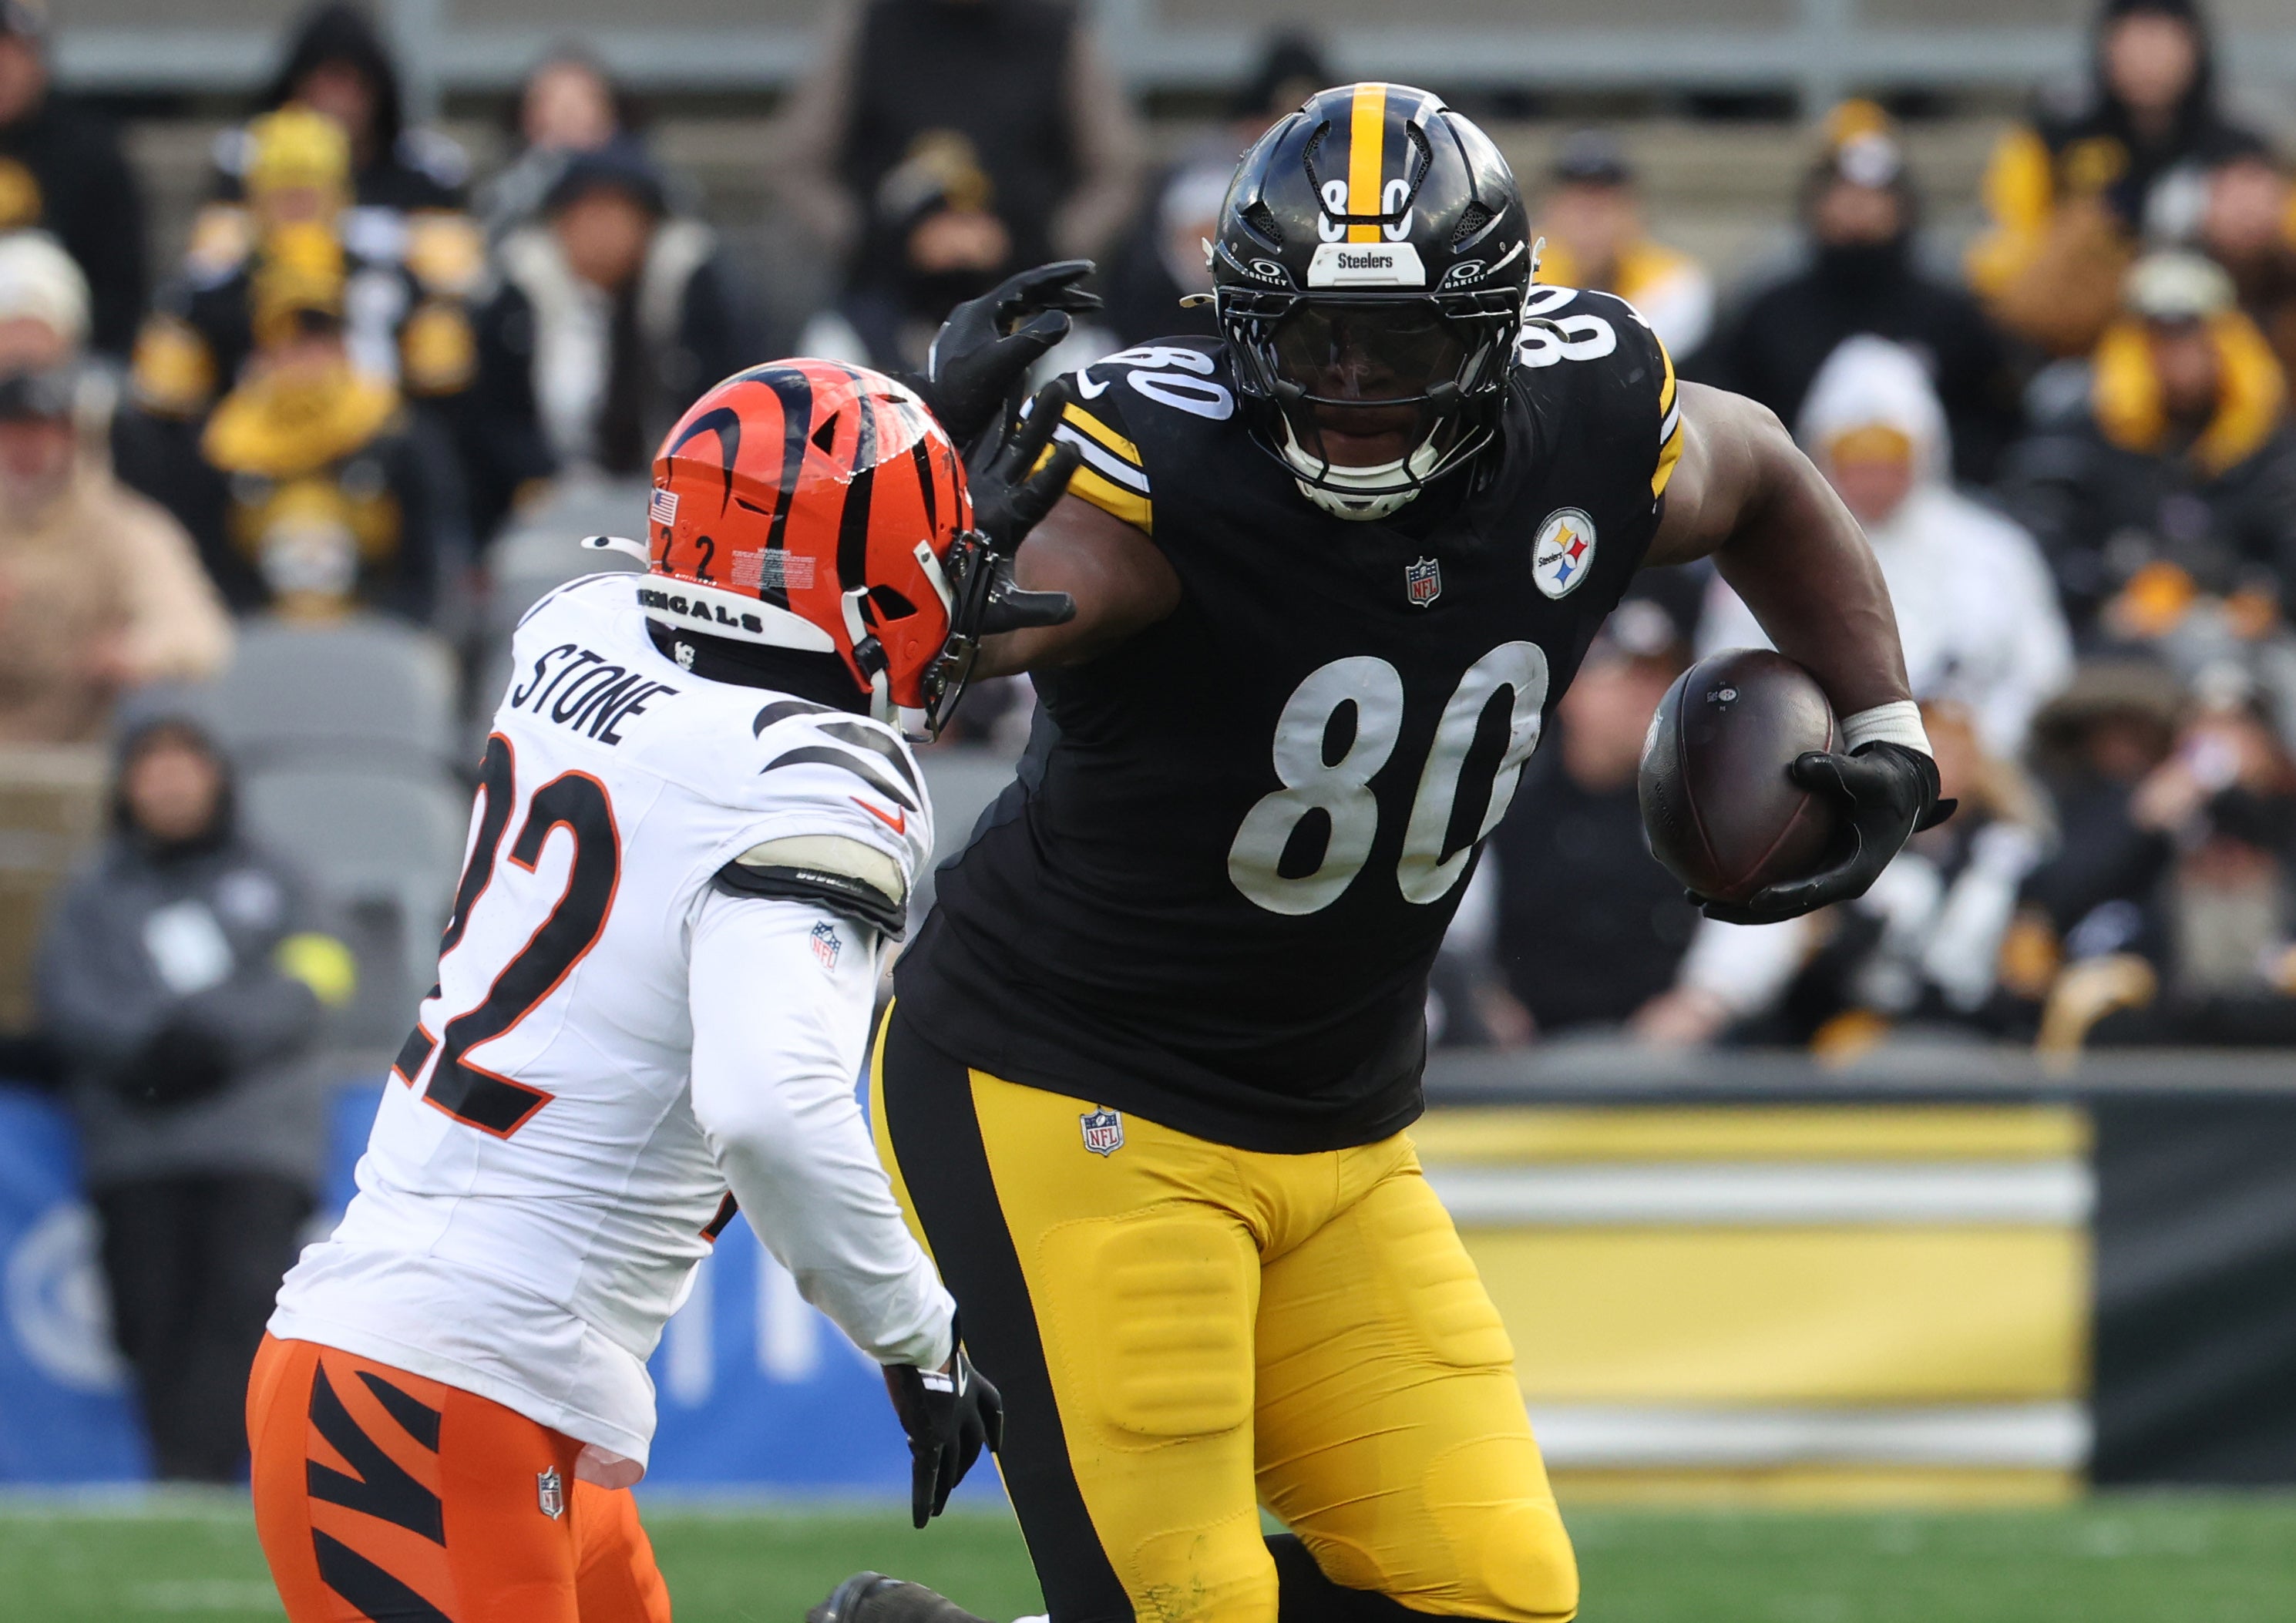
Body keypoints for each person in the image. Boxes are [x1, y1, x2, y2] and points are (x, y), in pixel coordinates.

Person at [830, 84, 1949, 1623]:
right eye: (1307, 344)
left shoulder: (1590, 418)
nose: (1350, 391)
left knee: (1492, 1597)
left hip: (1336, 1128)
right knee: (1189, 1607)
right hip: (1062, 1092)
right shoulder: (1159, 474)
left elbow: (1753, 468)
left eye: (1402, 346)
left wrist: (1886, 718)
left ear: (1492, 333)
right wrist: (927, 555)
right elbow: (940, 645)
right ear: (1238, 328)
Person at [246, 332, 1083, 1617]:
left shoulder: (571, 628)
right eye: (940, 555)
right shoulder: (821, 781)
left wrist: (895, 473)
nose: (962, 586)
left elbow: (747, 596)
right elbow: (769, 1108)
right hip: (439, 1390)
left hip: (468, 1382)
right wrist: (918, 1337)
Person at [36, 708, 356, 1482]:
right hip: (136, 1148)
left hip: (255, 1142)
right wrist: (148, 1050)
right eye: (151, 765)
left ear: (219, 776)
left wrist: (216, 1038)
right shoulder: (94, 895)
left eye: (187, 762)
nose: (171, 781)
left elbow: (321, 973)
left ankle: (213, 1477)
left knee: (244, 1312)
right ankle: (179, 1475)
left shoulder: (277, 875)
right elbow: (66, 998)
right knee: (148, 1317)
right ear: (126, 784)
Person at [1699, 336, 2072, 760]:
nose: (1873, 479)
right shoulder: (1767, 556)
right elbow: (1726, 673)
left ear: (1927, 450)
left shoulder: (1995, 550)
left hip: (1986, 779)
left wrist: (1978, 747)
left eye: (1890, 456)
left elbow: (2042, 669)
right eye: (1855, 458)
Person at [1635, 701, 2054, 1050]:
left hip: (1968, 1029)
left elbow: (2028, 968)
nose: (1942, 762)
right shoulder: (1838, 841)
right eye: (1931, 746)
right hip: (1853, 1025)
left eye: (1953, 749)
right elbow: (1794, 940)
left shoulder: (2012, 857)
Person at [775, 0, 1141, 369]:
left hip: (1032, 306)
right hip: (886, 306)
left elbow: (1115, 171)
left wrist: (1049, 248)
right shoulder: (867, 24)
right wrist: (867, 240)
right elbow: (800, 164)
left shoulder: (1058, 28)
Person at [1695, 103, 2021, 486]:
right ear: (1815, 203)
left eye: (1875, 196)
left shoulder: (1950, 313)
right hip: (1788, 512)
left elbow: (1997, 418)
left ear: (1903, 206)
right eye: (1843, 193)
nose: (1858, 209)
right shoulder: (1770, 312)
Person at [147, 234, 468, 623]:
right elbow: (201, 566)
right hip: (252, 637)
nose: (308, 356)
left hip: (377, 633)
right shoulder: (222, 445)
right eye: (291, 340)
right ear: (264, 350)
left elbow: (430, 562)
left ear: (344, 345)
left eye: (322, 337)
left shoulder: (396, 434)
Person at [1997, 251, 2296, 647]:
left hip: (2249, 645)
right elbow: (2036, 539)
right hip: (2113, 641)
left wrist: (2267, 596)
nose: (2180, 358)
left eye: (2196, 338)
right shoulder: (2078, 436)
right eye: (2162, 341)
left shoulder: (2269, 442)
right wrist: (2104, 594)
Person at [0, 233, 230, 744]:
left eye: (41, 431)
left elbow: (198, 634)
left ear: (72, 434)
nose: (26, 449)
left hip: (82, 777)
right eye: (11, 431)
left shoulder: (122, 528)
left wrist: (137, 652)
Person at [468, 140, 755, 538]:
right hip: (550, 505)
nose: (600, 230)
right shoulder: (519, 299)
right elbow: (494, 416)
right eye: (585, 213)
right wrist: (536, 479)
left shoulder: (693, 291)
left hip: (684, 506)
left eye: (616, 212)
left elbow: (735, 402)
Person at [1969, 0, 2267, 358]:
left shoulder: (2240, 151)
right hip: (2085, 349)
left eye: (2163, 43)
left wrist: (2250, 245)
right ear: (2106, 49)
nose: (2148, 62)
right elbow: (2002, 269)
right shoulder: (2054, 141)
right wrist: (2093, 234)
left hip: (2219, 354)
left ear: (2195, 50)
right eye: (2133, 44)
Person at [1486, 583, 1702, 1035]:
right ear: (1575, 687)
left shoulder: (1705, 805)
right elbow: (1453, 931)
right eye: (1629, 675)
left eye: (1664, 674)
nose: (1650, 695)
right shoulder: (1502, 796)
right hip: (1514, 1068)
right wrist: (1481, 1003)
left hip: (1671, 1069)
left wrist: (1706, 1001)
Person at [1099, 30, 1331, 349]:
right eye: (1275, 121)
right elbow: (1208, 267)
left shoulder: (1332, 176)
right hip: (1187, 336)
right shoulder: (1214, 169)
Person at [0, 1, 146, 358]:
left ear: (39, 58)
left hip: (70, 361)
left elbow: (121, 283)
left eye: (13, 51)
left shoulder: (89, 151)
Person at [1532, 129, 1714, 358]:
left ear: (1635, 212)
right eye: (1577, 207)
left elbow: (1636, 360)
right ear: (1549, 210)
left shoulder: (1674, 278)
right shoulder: (1518, 270)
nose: (1589, 223)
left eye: (1604, 207)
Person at [478, 48, 634, 248]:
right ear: (527, 116)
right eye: (552, 99)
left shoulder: (640, 181)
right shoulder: (504, 188)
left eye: (583, 98)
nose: (568, 111)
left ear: (610, 114)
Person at [2200, 150, 2296, 386]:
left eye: (2261, 202)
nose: (2249, 218)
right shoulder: (2178, 275)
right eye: (2237, 203)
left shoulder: (2289, 277)